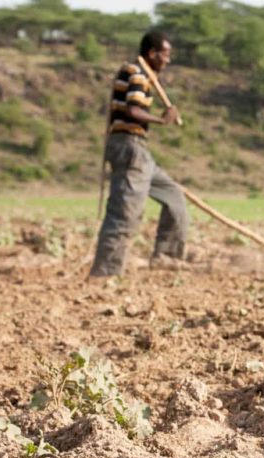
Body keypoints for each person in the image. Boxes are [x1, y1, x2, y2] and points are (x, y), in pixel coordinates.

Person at [89, 30, 188, 277]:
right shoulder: (137, 74)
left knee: (173, 196)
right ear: (152, 54)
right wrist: (162, 120)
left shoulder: (142, 74)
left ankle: (166, 257)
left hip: (138, 150)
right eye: (165, 55)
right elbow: (133, 110)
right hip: (129, 146)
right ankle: (106, 274)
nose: (168, 60)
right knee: (125, 212)